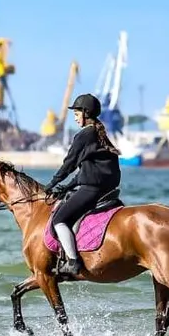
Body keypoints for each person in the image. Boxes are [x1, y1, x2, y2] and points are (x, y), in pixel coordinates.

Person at [46, 93, 121, 278]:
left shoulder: (85, 135)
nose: (75, 116)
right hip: (105, 188)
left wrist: (53, 183)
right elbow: (87, 170)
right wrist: (67, 186)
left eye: (77, 112)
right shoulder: (98, 132)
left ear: (86, 113)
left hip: (93, 189)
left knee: (58, 220)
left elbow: (69, 163)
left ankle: (73, 261)